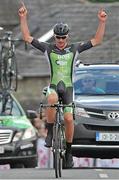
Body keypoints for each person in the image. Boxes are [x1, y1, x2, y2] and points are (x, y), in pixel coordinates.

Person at [18, 2, 107, 168]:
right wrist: (23, 18)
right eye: (57, 37)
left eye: (63, 37)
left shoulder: (75, 49)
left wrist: (102, 21)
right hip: (53, 85)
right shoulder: (48, 48)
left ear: (68, 37)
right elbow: (27, 38)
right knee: (51, 97)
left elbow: (97, 40)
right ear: (54, 37)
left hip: (68, 87)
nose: (60, 40)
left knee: (68, 119)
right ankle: (50, 132)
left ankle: (68, 152)